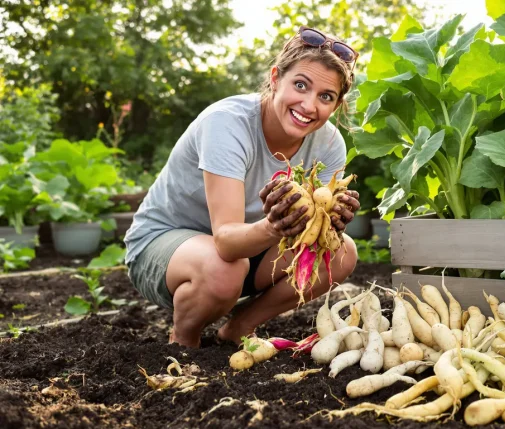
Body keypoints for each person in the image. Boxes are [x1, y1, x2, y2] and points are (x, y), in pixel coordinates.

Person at [123, 27, 361, 348]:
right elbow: (225, 242)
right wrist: (276, 226)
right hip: (166, 248)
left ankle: (239, 328)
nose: (308, 105)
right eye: (300, 85)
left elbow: (313, 234)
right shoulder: (227, 122)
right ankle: (185, 340)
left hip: (245, 253)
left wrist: (328, 222)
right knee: (222, 269)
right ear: (275, 78)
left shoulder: (329, 144)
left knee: (340, 252)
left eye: (326, 96)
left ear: (336, 104)